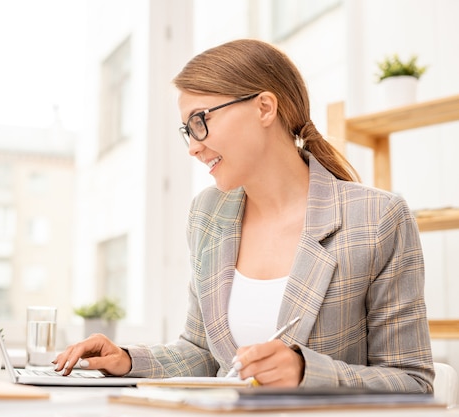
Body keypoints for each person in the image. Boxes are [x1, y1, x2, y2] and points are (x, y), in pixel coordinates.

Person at [54, 39, 434, 392]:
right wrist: (127, 360)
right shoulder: (208, 214)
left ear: (265, 107)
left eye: (201, 120)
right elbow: (203, 352)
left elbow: (413, 381)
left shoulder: (377, 218)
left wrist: (306, 372)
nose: (193, 146)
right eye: (186, 130)